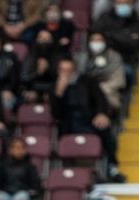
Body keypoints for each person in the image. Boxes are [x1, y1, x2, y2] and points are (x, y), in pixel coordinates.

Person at [52, 54, 124, 182]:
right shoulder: (55, 86)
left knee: (105, 130)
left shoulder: (88, 81)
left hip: (90, 119)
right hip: (68, 123)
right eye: (63, 70)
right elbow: (56, 113)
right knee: (59, 138)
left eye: (69, 70)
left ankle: (112, 168)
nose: (66, 74)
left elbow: (101, 100)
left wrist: (101, 113)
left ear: (74, 70)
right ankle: (68, 172)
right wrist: (59, 93)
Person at [82, 31, 127, 112]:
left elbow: (119, 80)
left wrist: (101, 87)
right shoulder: (82, 57)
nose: (96, 43)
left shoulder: (114, 56)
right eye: (93, 40)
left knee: (104, 94)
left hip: (107, 87)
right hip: (86, 87)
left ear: (105, 42)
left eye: (99, 40)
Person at [0, 135, 42, 200]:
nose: (18, 150)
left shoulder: (30, 167)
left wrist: (31, 193)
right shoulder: (3, 166)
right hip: (5, 193)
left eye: (21, 147)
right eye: (16, 147)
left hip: (22, 194)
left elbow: (35, 185)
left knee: (22, 197)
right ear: (10, 150)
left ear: (25, 150)